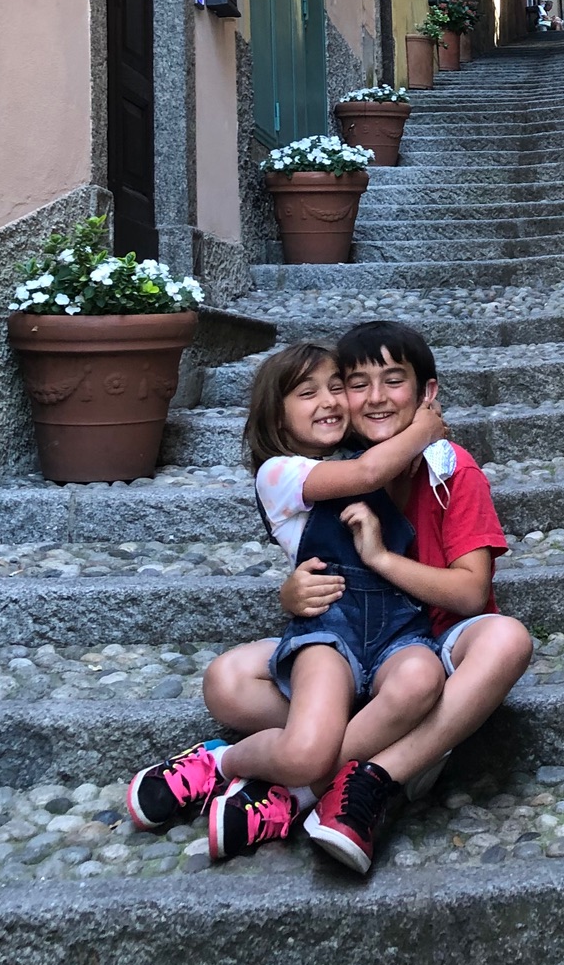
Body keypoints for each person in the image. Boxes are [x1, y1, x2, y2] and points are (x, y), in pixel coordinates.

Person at [204, 319, 535, 876]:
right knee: (225, 680)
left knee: (507, 639)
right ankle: (335, 744)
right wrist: (293, 592)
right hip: (353, 647)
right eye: (357, 384)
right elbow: (333, 526)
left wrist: (383, 559)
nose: (374, 397)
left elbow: (470, 593)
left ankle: (338, 782)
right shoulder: (339, 468)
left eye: (394, 381)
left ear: (427, 392)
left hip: (429, 648)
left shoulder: (452, 471)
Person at [125, 341, 448, 860]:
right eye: (307, 393)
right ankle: (223, 763)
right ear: (277, 415)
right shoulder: (280, 473)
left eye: (337, 387)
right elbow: (368, 475)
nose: (330, 401)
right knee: (304, 752)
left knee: (423, 678)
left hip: (396, 630)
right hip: (331, 632)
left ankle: (295, 778)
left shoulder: (363, 453)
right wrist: (424, 428)